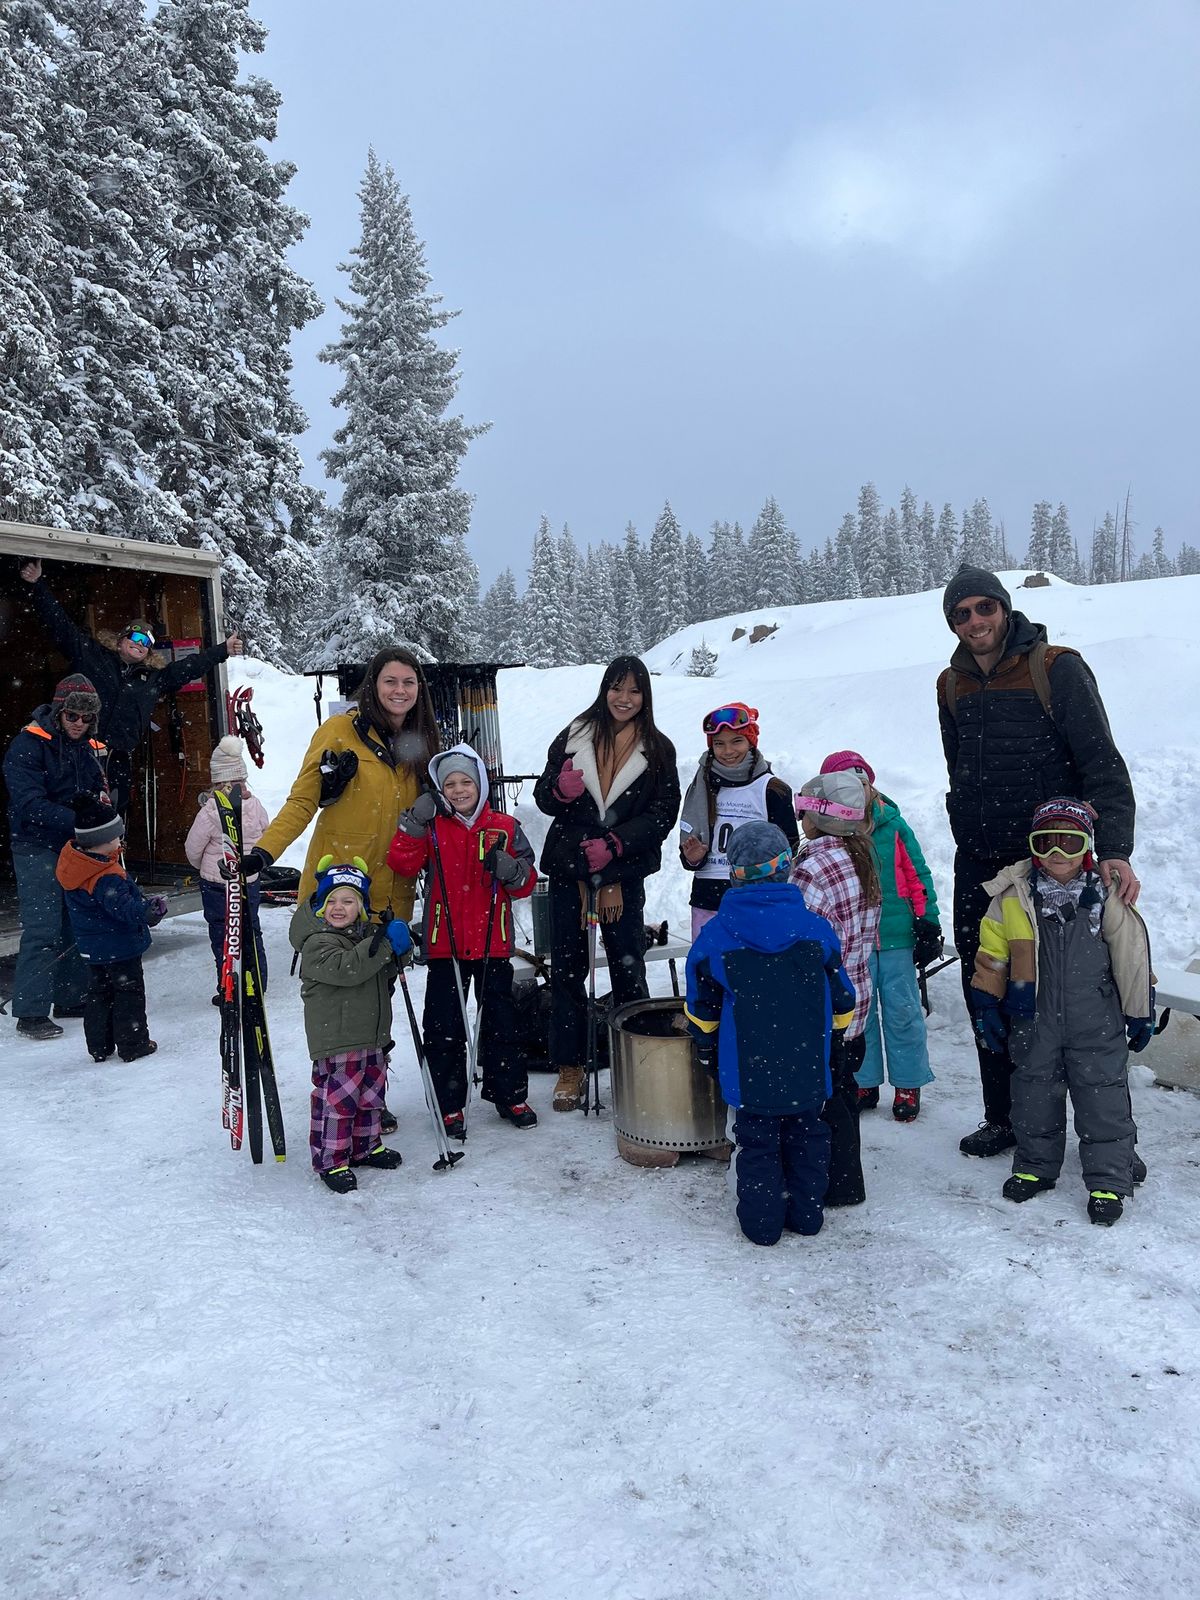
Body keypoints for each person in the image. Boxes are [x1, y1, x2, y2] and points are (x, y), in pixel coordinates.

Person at [937, 564, 1140, 1159]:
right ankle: (1005, 1117)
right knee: (989, 987)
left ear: (1004, 608)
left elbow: (1102, 762)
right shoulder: (950, 685)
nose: (975, 621)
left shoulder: (1056, 668)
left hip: (1050, 863)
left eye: (984, 608)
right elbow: (958, 770)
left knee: (1071, 1003)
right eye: (962, 613)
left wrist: (1116, 852)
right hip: (978, 864)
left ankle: (1108, 1136)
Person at [969, 798, 1154, 1226]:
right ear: (1033, 845)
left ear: (1086, 847)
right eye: (1046, 842)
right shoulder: (1013, 897)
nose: (1057, 854)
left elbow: (1131, 957)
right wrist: (986, 1003)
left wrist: (1139, 1009)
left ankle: (1110, 1175)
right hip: (1032, 1018)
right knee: (1033, 1093)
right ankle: (1035, 1164)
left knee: (1102, 1096)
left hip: (1096, 1019)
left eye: (1069, 843)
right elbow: (992, 955)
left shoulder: (1105, 895)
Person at [685, 822, 855, 1246]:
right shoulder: (816, 930)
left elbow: (701, 1005)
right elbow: (842, 997)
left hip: (749, 1068)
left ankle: (761, 1225)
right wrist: (835, 1040)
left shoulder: (716, 936)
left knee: (757, 1143)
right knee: (808, 1137)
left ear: (734, 874)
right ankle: (807, 1214)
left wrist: (706, 1046)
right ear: (786, 869)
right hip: (806, 1064)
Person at [534, 655, 681, 1112]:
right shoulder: (574, 735)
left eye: (634, 691)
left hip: (622, 875)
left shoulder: (658, 749)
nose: (624, 698)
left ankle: (638, 1059)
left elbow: (663, 814)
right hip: (569, 874)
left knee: (629, 968)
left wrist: (616, 844)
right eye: (617, 688)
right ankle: (571, 1066)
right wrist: (560, 792)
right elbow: (543, 798)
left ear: (645, 697)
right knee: (568, 973)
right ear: (605, 689)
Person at [387, 743, 539, 1136]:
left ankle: (509, 1093)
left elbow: (526, 883)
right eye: (449, 783)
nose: (458, 790)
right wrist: (413, 825)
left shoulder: (504, 827)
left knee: (502, 1023)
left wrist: (512, 871)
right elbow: (402, 863)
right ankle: (448, 1102)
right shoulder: (435, 827)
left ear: (481, 784)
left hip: (493, 943)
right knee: (444, 1027)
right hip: (445, 945)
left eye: (465, 781)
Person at [18, 558, 242, 816]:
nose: (140, 644)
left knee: (115, 809)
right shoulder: (93, 656)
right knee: (73, 807)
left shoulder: (154, 677)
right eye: (135, 637)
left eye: (147, 642)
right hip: (79, 750)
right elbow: (61, 626)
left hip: (118, 757)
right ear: (122, 639)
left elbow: (189, 667)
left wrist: (222, 650)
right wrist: (38, 586)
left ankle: (114, 850)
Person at [243, 647, 441, 920]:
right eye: (390, 681)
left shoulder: (421, 742)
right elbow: (303, 800)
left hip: (393, 900)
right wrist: (264, 853)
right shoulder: (339, 731)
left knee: (384, 962)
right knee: (334, 961)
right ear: (373, 685)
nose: (400, 690)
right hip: (338, 889)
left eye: (408, 682)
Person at [819, 751, 940, 1123]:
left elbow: (918, 875)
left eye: (863, 784)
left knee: (903, 1012)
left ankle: (907, 1082)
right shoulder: (832, 832)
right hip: (853, 940)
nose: (859, 794)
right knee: (858, 1013)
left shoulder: (894, 826)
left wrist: (928, 921)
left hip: (895, 937)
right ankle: (863, 1080)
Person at [289, 856, 412, 1194]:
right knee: (339, 1103)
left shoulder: (365, 937)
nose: (339, 908)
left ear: (361, 906)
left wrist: (400, 948)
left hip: (372, 1037)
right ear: (320, 907)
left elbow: (382, 970)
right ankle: (331, 1160)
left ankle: (365, 1146)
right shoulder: (317, 943)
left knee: (370, 1098)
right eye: (331, 901)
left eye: (348, 900)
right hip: (338, 1038)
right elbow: (349, 970)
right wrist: (383, 946)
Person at [790, 770, 881, 1207]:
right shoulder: (860, 855)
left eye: (804, 810)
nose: (800, 819)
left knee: (824, 1100)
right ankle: (847, 1180)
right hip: (856, 1003)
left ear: (820, 816)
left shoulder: (811, 869)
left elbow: (803, 944)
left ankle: (830, 1183)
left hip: (823, 1007)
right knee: (843, 1092)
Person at [3, 674, 110, 1040]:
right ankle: (30, 1011)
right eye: (73, 716)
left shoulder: (88, 747)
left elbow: (93, 788)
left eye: (86, 718)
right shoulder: (27, 745)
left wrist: (100, 808)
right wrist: (80, 820)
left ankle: (70, 997)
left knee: (73, 921)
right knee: (42, 927)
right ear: (59, 712)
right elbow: (29, 803)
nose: (79, 723)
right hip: (36, 844)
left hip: (74, 844)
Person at [55, 793, 166, 1063]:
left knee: (99, 994)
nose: (120, 842)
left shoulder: (78, 864)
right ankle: (133, 1044)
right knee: (128, 994)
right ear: (102, 841)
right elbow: (123, 909)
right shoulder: (105, 876)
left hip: (94, 948)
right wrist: (147, 912)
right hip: (120, 948)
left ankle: (99, 1045)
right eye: (116, 837)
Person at [679, 702, 798, 941]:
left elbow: (790, 847)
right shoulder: (702, 786)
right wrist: (692, 858)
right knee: (709, 971)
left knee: (755, 972)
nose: (727, 751)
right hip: (708, 896)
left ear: (750, 741)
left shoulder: (772, 789)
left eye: (737, 741)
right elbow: (687, 848)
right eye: (719, 744)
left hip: (756, 896)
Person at [184, 736, 269, 1001]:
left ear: (216, 784)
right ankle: (257, 981)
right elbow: (267, 833)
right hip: (249, 879)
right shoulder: (255, 806)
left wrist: (204, 869)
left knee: (223, 934)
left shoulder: (210, 811)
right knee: (250, 928)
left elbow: (193, 848)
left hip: (217, 883)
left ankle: (228, 986)